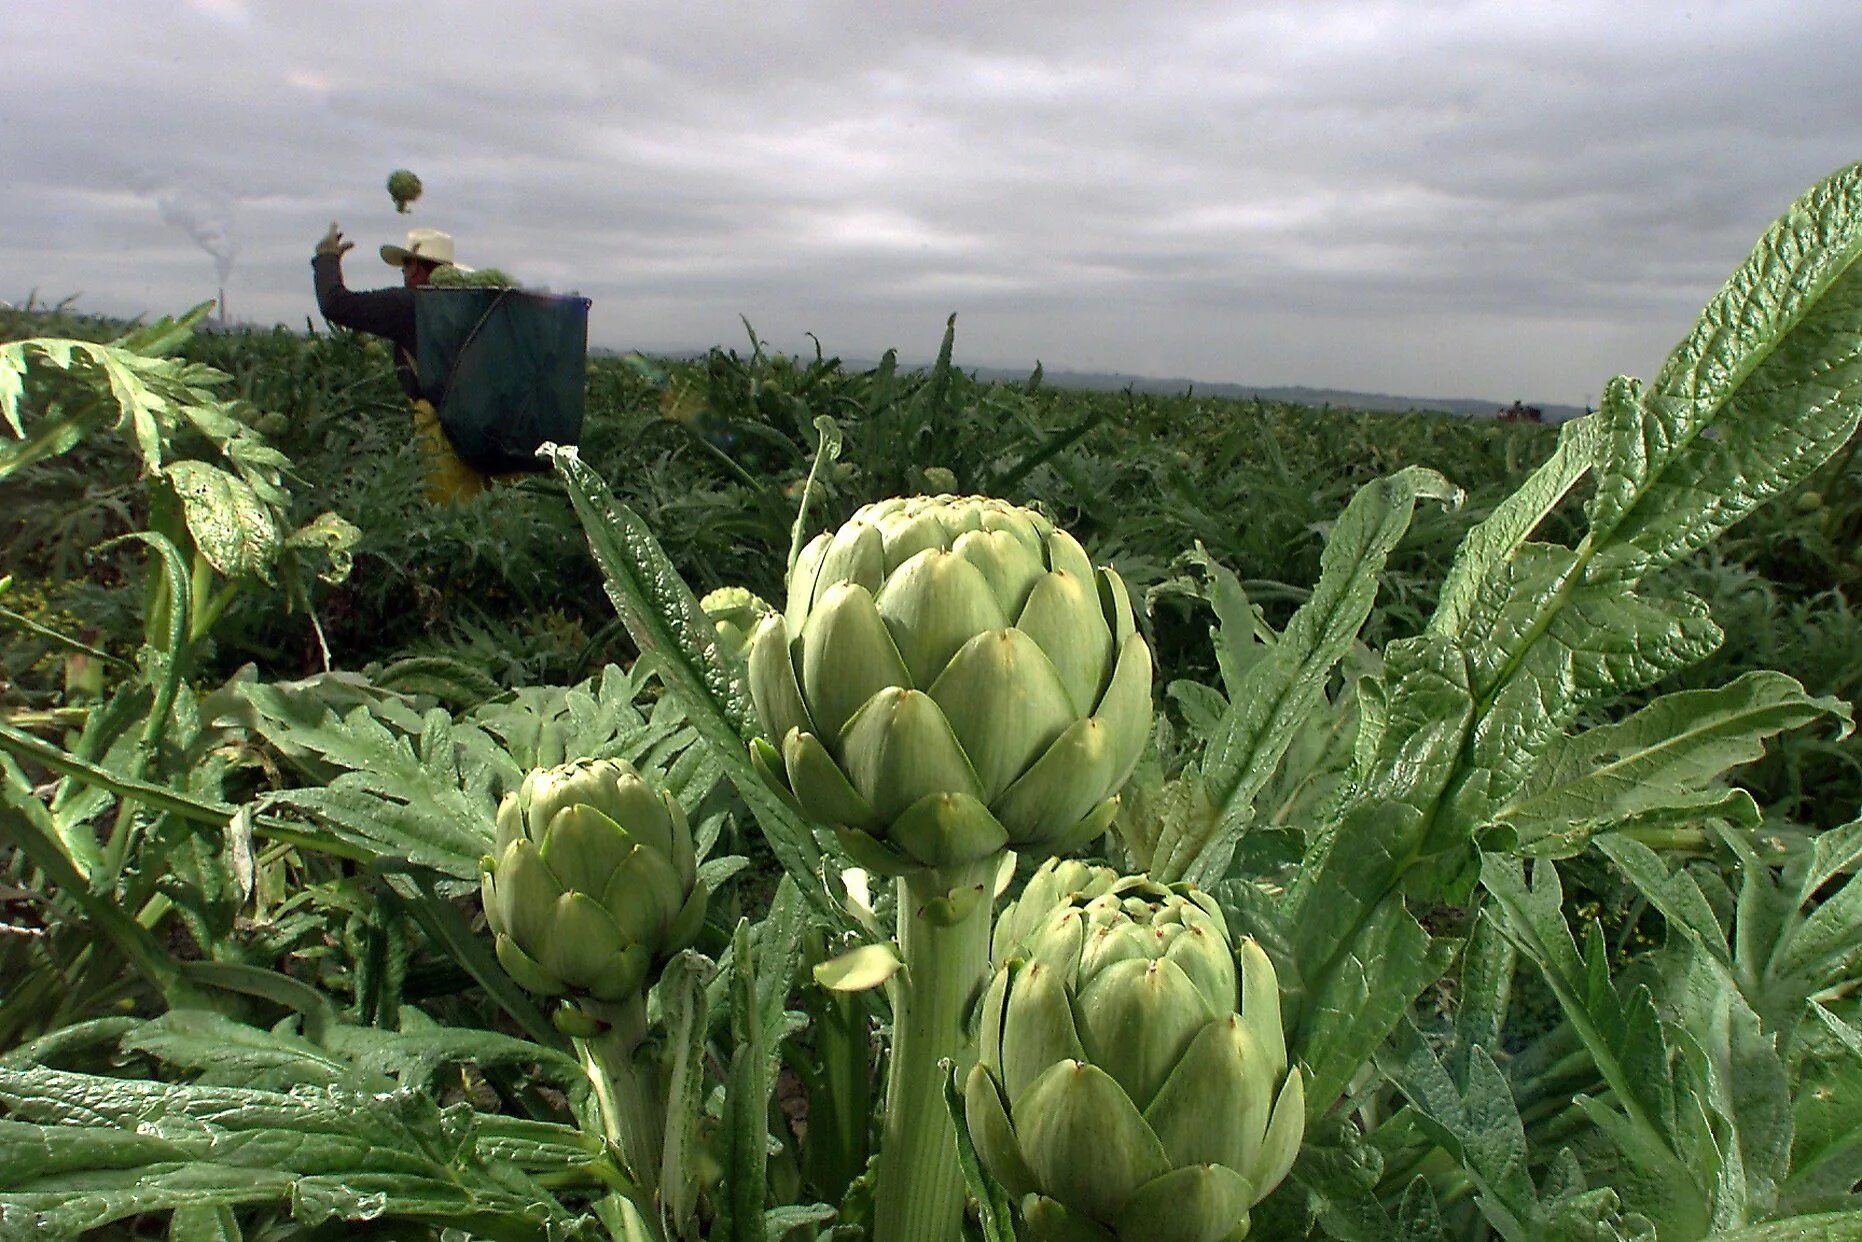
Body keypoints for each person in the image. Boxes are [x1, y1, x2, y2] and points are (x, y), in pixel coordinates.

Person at [311, 223, 496, 502]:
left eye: (404, 267)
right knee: (496, 520)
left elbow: (336, 305)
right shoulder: (479, 308)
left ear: (416, 268)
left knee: (454, 526)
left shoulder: (409, 305)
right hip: (493, 439)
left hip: (445, 441)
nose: (403, 274)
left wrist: (326, 259)